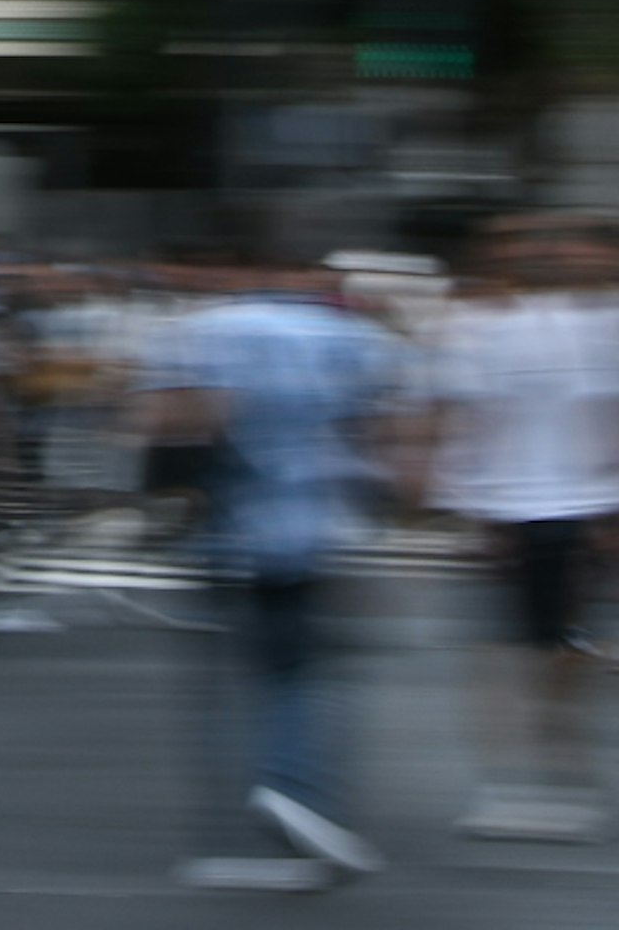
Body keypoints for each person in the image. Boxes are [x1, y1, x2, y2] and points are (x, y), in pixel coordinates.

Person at [142, 245, 411, 885]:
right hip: (313, 519)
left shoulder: (196, 328)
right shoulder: (356, 336)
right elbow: (386, 430)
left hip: (230, 516)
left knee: (230, 668)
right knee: (296, 664)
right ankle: (289, 781)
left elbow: (167, 420)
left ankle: (251, 798)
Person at [427, 217, 619, 841]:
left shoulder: (617, 323)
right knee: (507, 650)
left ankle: (565, 749)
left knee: (571, 645)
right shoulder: (484, 328)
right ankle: (512, 773)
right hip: (515, 506)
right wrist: (471, 507)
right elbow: (465, 420)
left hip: (589, 504)